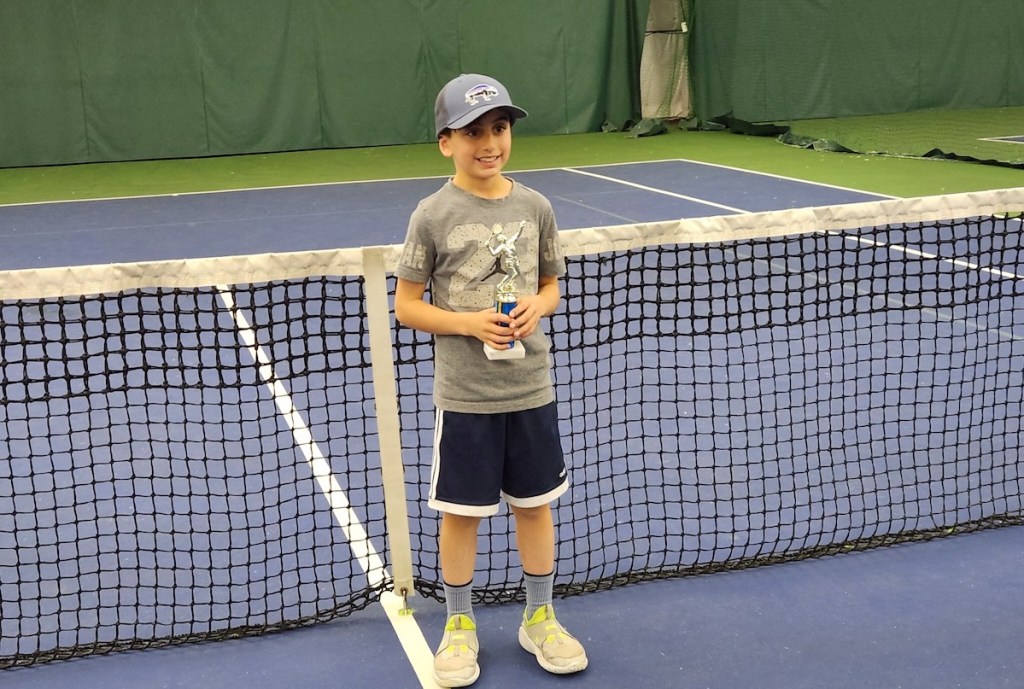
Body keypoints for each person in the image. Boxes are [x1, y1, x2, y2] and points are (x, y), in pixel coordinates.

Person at [394, 73, 588, 687]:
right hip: (467, 397)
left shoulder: (536, 208)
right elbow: (407, 305)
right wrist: (468, 323)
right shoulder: (432, 214)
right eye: (472, 131)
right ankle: (458, 626)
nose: (489, 142)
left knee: (534, 507)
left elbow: (551, 284)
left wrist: (540, 305)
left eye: (499, 128)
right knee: (463, 514)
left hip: (532, 389)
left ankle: (540, 616)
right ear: (445, 142)